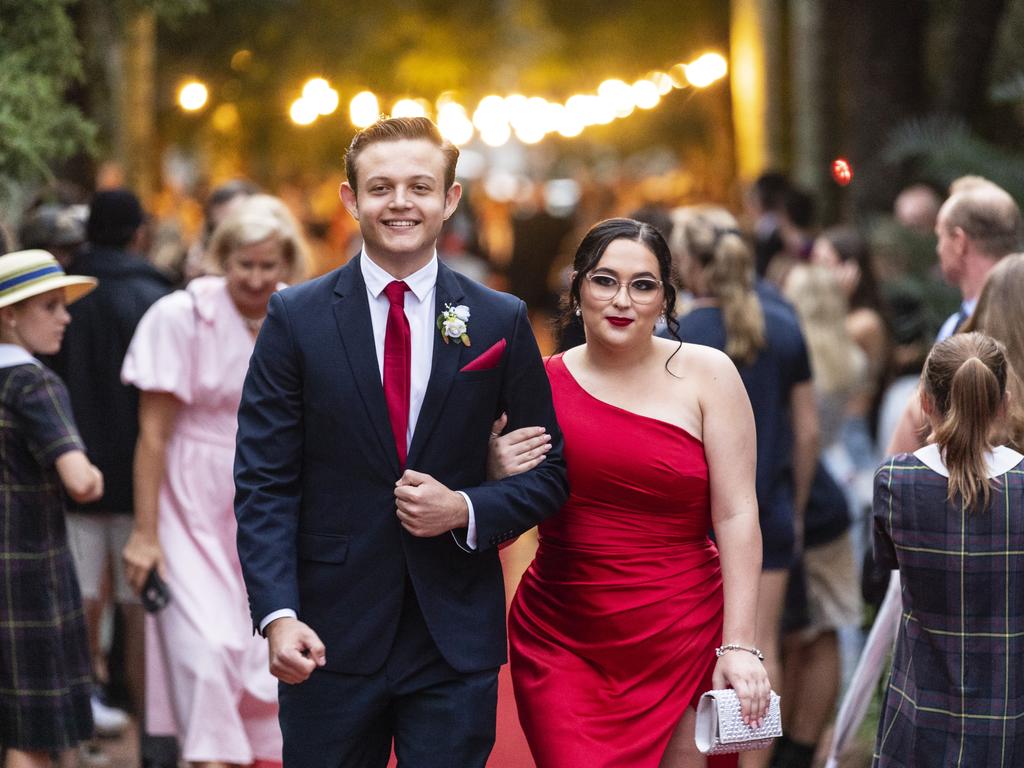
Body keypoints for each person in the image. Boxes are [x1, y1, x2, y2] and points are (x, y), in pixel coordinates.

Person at [233, 117, 568, 768]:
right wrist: (277, 614)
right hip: (328, 631)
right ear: (350, 200)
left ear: (449, 200)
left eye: (419, 186)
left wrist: (466, 509)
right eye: (381, 187)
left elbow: (548, 475)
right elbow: (264, 480)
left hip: (452, 634)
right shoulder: (294, 318)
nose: (400, 203)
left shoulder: (499, 319)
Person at [492, 218, 770, 767]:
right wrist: (494, 468)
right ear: (576, 291)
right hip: (563, 639)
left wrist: (739, 644)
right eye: (604, 281)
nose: (622, 300)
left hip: (686, 631)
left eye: (643, 285)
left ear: (667, 298)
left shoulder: (709, 374)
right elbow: (503, 518)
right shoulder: (538, 382)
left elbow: (738, 513)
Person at [120, 195, 309, 767]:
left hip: (265, 499)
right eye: (243, 264)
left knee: (261, 648)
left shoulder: (294, 317)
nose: (254, 278)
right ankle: (205, 758)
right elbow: (152, 435)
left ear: (285, 265)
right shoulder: (180, 315)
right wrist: (145, 534)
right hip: (189, 495)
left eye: (266, 265)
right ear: (221, 260)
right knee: (204, 650)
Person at [663, 208, 818, 768]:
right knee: (758, 644)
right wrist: (792, 504)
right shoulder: (782, 325)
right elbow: (807, 431)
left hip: (690, 521)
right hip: (768, 509)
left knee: (684, 654)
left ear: (683, 264)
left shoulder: (672, 338)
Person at [46, 189, 173, 746]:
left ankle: (76, 722)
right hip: (146, 479)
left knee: (80, 599)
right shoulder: (159, 296)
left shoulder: (63, 298)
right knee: (140, 602)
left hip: (72, 472)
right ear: (138, 232)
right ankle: (150, 731)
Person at [872, 332, 1024, 766]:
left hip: (919, 714)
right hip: (1008, 718)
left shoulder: (896, 480)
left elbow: (885, 565)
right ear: (1004, 402)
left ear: (925, 401)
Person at [0, 249, 103, 768]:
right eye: (51, 306)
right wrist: (95, 474)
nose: (65, 318)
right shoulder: (34, 383)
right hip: (29, 575)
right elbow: (80, 481)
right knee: (31, 732)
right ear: (9, 315)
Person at [775, 265, 865, 768]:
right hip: (837, 491)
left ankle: (783, 739)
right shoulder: (848, 357)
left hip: (801, 494)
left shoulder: (791, 356)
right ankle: (805, 743)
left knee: (791, 631)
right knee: (828, 624)